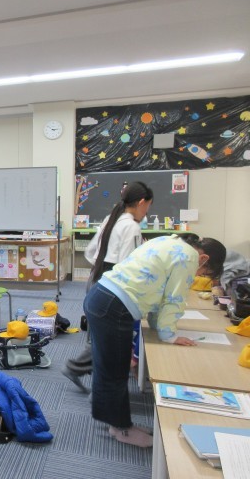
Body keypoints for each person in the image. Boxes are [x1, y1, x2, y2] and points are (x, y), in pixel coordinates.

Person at [85, 234, 226, 447]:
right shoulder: (189, 257)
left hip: (102, 296)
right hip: (113, 305)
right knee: (115, 370)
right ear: (204, 259)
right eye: (203, 272)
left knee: (110, 366)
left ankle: (116, 422)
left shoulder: (170, 242)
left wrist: (158, 327)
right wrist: (169, 335)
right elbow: (174, 299)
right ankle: (122, 429)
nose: (198, 276)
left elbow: (159, 294)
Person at [62, 181, 153, 393]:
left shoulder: (112, 218)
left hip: (97, 279)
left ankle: (79, 369)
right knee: (108, 340)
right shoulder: (131, 226)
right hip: (112, 286)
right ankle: (85, 375)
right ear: (141, 202)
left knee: (100, 337)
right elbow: (128, 264)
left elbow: (92, 251)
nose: (147, 212)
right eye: (148, 206)